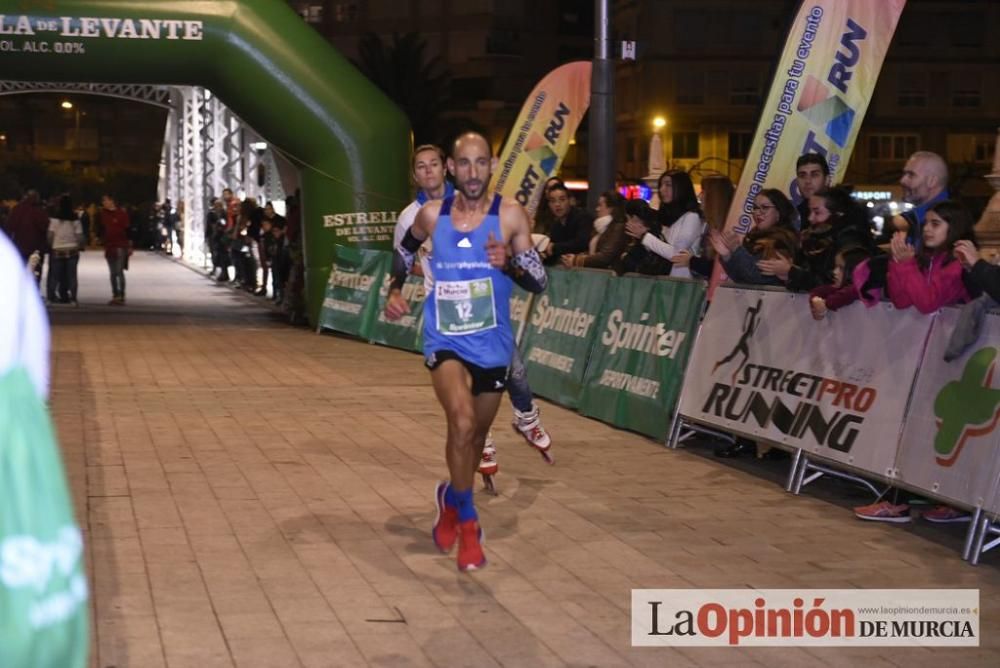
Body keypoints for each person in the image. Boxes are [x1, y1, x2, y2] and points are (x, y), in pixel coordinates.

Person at [384, 132, 547, 572]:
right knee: (460, 420)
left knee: (474, 438)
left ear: (492, 165)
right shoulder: (433, 215)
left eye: (481, 163)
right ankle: (470, 524)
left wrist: (508, 264)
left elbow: (539, 281)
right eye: (464, 164)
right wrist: (395, 288)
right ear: (452, 169)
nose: (472, 172)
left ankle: (450, 499)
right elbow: (403, 249)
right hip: (446, 337)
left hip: (491, 341)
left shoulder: (510, 215)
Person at [855, 200, 977, 523]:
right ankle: (901, 499)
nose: (928, 229)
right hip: (925, 360)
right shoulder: (927, 260)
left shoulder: (956, 264)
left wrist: (906, 266)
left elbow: (928, 301)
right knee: (916, 429)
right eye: (927, 223)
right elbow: (902, 298)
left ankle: (937, 500)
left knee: (940, 434)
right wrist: (900, 264)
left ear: (955, 228)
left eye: (936, 224)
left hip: (954, 362)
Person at [624, 170, 704, 278]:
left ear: (681, 188)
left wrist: (645, 236)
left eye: (668, 185)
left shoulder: (692, 217)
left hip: (682, 283)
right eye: (661, 185)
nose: (662, 190)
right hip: (664, 280)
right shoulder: (665, 217)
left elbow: (677, 254)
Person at [560, 191, 628, 269]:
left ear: (611, 209)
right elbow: (593, 253)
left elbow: (605, 257)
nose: (597, 209)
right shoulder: (599, 228)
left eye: (600, 205)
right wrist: (576, 257)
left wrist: (577, 260)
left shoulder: (618, 228)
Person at [2, 189, 50, 286]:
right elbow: (45, 227)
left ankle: (21, 291)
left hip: (20, 246)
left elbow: (10, 226)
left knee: (21, 271)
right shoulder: (39, 211)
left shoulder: (17, 209)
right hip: (36, 247)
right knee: (36, 271)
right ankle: (34, 292)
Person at [540, 183, 593, 265]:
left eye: (562, 199)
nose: (557, 204)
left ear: (570, 201)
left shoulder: (582, 217)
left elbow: (582, 242)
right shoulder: (555, 225)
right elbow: (552, 251)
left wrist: (554, 247)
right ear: (549, 205)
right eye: (553, 201)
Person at [46, 195, 85, 306]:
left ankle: (50, 298)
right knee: (72, 276)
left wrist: (51, 245)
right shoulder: (75, 220)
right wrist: (81, 245)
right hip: (72, 250)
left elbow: (50, 235)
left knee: (54, 276)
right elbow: (80, 236)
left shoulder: (54, 220)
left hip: (57, 249)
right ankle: (73, 299)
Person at [100, 194, 131, 306]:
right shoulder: (103, 214)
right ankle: (115, 295)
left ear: (112, 201)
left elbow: (127, 230)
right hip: (109, 246)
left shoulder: (121, 214)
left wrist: (129, 245)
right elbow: (101, 228)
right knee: (112, 273)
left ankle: (121, 295)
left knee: (119, 271)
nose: (104, 203)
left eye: (105, 200)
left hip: (120, 245)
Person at [793, 153, 831, 229]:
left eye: (814, 175)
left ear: (827, 180)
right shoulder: (793, 216)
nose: (807, 181)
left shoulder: (847, 213)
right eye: (802, 176)